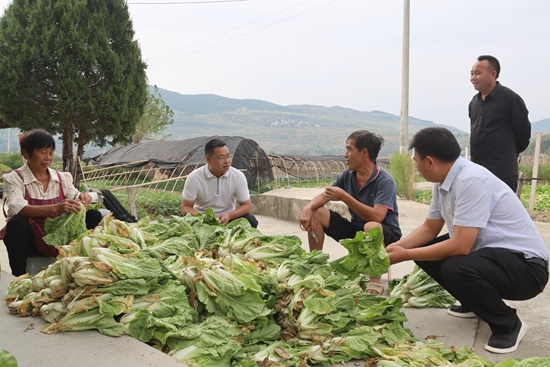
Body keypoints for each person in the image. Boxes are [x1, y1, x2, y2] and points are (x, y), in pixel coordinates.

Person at [386, 127, 548, 354]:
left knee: (455, 266)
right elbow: (429, 228)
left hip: (526, 269)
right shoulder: (442, 182)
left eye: (416, 161)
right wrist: (396, 247)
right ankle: (474, 302)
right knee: (426, 251)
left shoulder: (471, 180)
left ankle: (508, 324)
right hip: (493, 257)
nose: (416, 166)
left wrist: (406, 255)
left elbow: (461, 245)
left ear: (430, 162)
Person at [299, 130, 401, 294]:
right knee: (317, 212)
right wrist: (308, 208)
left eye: (349, 149)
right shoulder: (348, 175)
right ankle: (314, 265)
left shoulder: (385, 180)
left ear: (364, 152)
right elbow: (325, 195)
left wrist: (345, 197)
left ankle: (375, 278)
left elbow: (377, 216)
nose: (345, 155)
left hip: (385, 234)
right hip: (358, 231)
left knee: (371, 225)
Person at [1, 129, 103, 276]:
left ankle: (83, 268)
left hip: (59, 236)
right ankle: (19, 277)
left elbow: (74, 194)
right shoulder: (14, 178)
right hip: (30, 241)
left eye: (51, 153)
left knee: (94, 215)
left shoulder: (61, 178)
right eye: (43, 152)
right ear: (25, 153)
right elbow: (18, 208)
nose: (48, 158)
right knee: (16, 223)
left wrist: (82, 197)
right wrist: (56, 208)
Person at [469, 55, 531, 193]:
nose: (473, 78)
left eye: (478, 73)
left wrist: (509, 153)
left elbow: (523, 134)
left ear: (493, 74)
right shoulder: (474, 102)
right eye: (472, 73)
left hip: (502, 173)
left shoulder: (510, 99)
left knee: (501, 213)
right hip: (478, 172)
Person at [182, 138, 258, 228]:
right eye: (221, 158)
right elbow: (186, 207)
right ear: (208, 160)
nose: (227, 161)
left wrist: (229, 215)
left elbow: (246, 206)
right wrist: (205, 218)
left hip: (229, 219)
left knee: (251, 220)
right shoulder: (194, 177)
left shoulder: (238, 176)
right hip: (202, 220)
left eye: (228, 156)